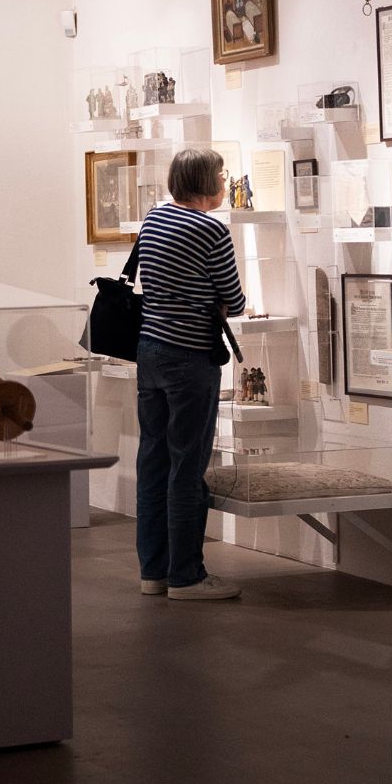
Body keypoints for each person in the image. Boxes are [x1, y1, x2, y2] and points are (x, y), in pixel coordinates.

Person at [134, 148, 246, 601]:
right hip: (190, 355)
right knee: (187, 465)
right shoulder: (210, 230)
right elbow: (234, 299)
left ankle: (154, 573)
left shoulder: (154, 218)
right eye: (221, 173)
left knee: (153, 462)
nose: (224, 180)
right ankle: (186, 577)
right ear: (207, 181)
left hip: (149, 349)